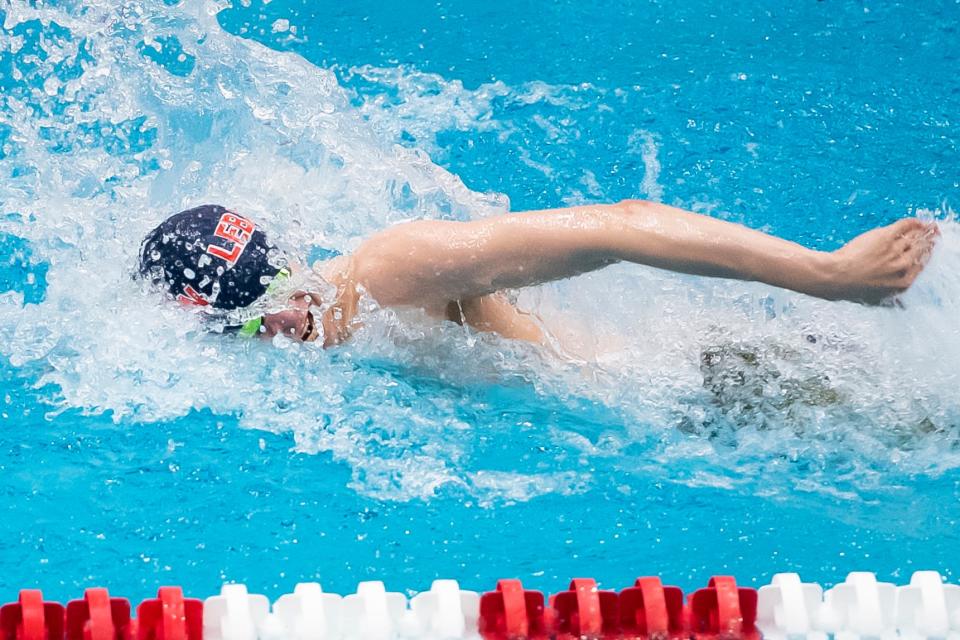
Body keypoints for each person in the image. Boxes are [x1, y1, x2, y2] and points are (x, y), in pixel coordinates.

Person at [138, 201, 939, 348]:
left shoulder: (389, 270)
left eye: (256, 321)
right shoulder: (342, 332)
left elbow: (617, 225)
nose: (269, 337)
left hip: (733, 390)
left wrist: (827, 274)